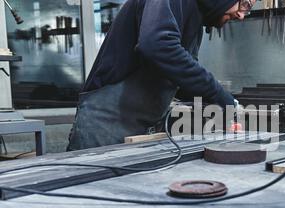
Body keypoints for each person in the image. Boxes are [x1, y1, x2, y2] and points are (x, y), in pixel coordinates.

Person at [67, 0, 255, 151]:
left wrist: (220, 106)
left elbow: (177, 76)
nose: (240, 15)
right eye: (244, 4)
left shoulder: (193, 19)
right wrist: (219, 94)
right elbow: (157, 45)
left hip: (138, 126)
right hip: (105, 123)